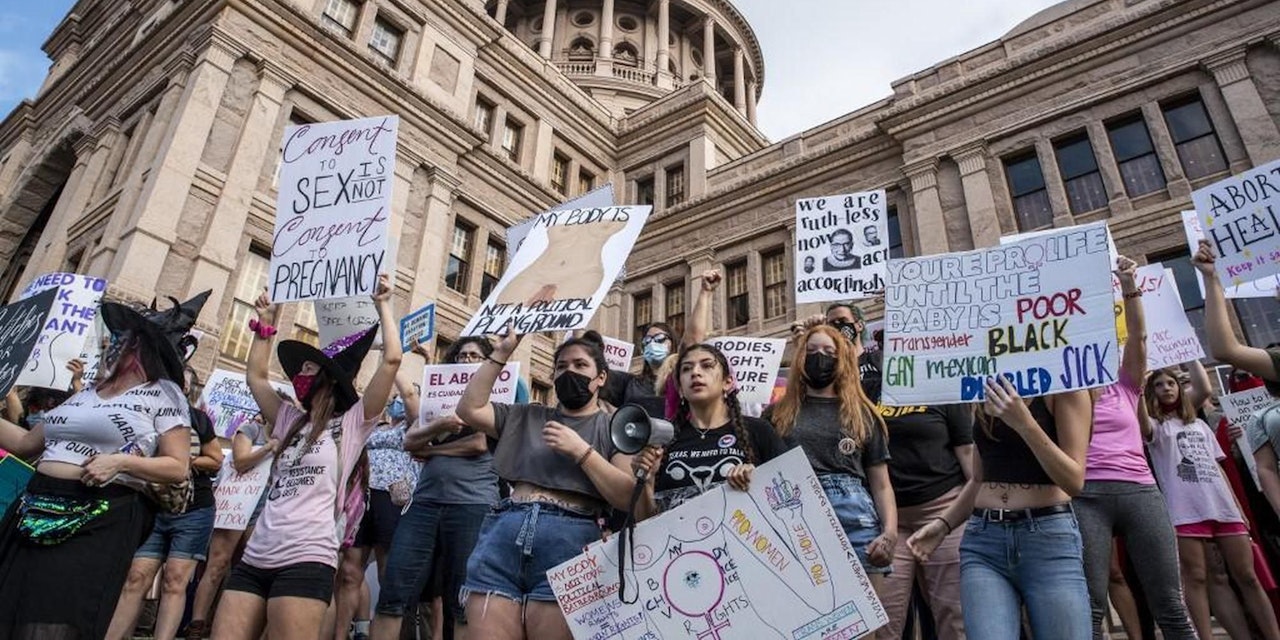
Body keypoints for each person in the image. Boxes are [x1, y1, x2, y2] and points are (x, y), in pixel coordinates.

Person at [0, 291, 208, 639]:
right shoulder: (84, 394)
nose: (111, 342)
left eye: (121, 338)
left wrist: (120, 461)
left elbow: (177, 466)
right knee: (9, 603)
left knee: (54, 615)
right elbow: (25, 444)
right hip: (32, 506)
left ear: (140, 349)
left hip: (98, 515)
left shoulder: (164, 393)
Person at [211, 275, 401, 640]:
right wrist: (266, 324)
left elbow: (392, 360)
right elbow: (256, 378)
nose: (300, 373)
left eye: (309, 368)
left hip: (307, 557)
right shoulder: (288, 419)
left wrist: (383, 305)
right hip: (256, 555)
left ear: (328, 379)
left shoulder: (351, 425)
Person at [455, 330, 638, 640]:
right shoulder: (526, 415)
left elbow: (626, 496)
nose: (570, 372)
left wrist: (582, 453)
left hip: (569, 544)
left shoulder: (614, 428)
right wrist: (502, 352)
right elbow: (469, 409)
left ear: (601, 377)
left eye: (580, 365)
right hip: (503, 536)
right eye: (562, 366)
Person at [1065, 256, 1197, 640]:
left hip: (1139, 492)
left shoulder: (1127, 385)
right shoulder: (1066, 393)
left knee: (1170, 603)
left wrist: (1128, 285)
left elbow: (1138, 337)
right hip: (1085, 497)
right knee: (1090, 605)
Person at [908, 374, 1093, 639]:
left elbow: (1074, 481)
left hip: (1047, 539)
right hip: (984, 541)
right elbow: (979, 479)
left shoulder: (1066, 386)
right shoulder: (988, 387)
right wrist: (942, 525)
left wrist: (1024, 423)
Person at [370, 340, 498, 640]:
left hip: (472, 504)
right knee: (393, 592)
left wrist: (432, 451)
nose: (466, 359)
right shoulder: (438, 401)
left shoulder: (495, 398)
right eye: (462, 355)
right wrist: (440, 425)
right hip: (424, 504)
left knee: (462, 601)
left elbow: (479, 443)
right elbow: (410, 441)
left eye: (475, 355)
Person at [1145, 365, 1280, 640]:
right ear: (1151, 393)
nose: (1166, 388)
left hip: (1223, 508)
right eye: (1158, 385)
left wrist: (1237, 508)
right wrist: (1137, 380)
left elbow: (1218, 468)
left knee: (1248, 576)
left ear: (1180, 388)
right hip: (1185, 512)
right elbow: (1139, 414)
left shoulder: (1200, 425)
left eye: (1171, 383)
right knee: (1202, 578)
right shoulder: (1155, 428)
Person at [765, 325, 895, 591]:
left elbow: (881, 484)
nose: (819, 357)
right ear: (800, 357)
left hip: (855, 519)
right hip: (796, 518)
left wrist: (890, 531)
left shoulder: (862, 414)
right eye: (812, 350)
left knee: (866, 613)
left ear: (842, 359)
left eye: (828, 351)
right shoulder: (775, 414)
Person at [107, 366, 225, 640]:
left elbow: (216, 459)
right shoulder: (143, 415)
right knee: (136, 577)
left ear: (186, 388)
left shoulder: (196, 418)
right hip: (153, 507)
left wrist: (181, 460)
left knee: (175, 580)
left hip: (194, 510)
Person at [631, 342, 789, 518]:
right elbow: (645, 522)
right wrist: (646, 481)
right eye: (686, 369)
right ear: (680, 389)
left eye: (706, 365)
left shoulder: (759, 430)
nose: (695, 372)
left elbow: (792, 489)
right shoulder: (665, 440)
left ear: (727, 382)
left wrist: (759, 479)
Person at [876, 397, 975, 639]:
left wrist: (969, 510)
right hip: (889, 519)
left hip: (944, 511)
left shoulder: (943, 388)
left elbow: (968, 455)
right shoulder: (870, 387)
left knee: (954, 615)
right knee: (882, 618)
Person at [185, 411, 281, 640]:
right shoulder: (251, 430)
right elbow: (240, 462)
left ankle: (225, 622)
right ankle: (197, 624)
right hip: (239, 500)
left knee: (249, 566)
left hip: (265, 503)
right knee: (218, 563)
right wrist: (268, 448)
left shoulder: (291, 438)